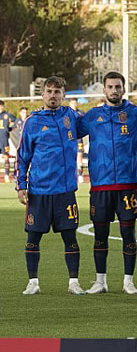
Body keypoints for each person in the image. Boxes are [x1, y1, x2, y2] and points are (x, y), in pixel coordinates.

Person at [16, 76, 84, 295]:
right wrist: (21, 185)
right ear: (43, 94)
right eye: (49, 91)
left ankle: (74, 282)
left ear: (64, 95)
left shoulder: (72, 117)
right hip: (39, 191)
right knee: (33, 237)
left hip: (65, 191)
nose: (53, 95)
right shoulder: (33, 122)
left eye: (57, 91)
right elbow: (22, 156)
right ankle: (33, 282)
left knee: (70, 237)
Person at [76, 71, 137, 295]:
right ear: (104, 90)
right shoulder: (92, 116)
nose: (114, 90)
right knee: (100, 236)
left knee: (128, 235)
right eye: (110, 86)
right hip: (100, 186)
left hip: (127, 185)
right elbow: (68, 132)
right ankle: (100, 281)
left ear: (124, 89)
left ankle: (128, 282)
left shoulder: (136, 114)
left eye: (118, 86)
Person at [69, 98, 86, 183]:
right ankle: (70, 176)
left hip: (79, 139)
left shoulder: (81, 113)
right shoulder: (66, 113)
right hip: (69, 139)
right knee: (69, 158)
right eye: (72, 103)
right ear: (69, 103)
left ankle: (80, 175)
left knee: (79, 158)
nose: (74, 104)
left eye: (75, 103)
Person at [0, 100, 17, 183]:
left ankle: (7, 175)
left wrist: (9, 129)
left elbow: (17, 122)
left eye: (1, 105)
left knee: (6, 157)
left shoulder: (7, 115)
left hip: (4, 139)